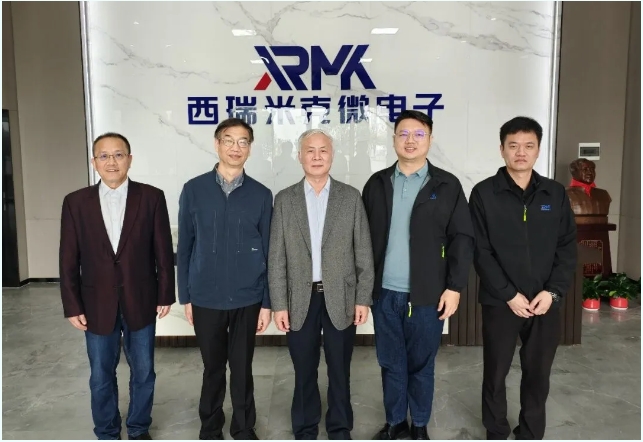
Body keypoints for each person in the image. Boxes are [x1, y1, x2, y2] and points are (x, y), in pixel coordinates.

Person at [362, 110, 475, 440]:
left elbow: (462, 238)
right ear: (394, 139)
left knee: (422, 365)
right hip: (384, 293)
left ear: (430, 139)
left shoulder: (447, 185)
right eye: (403, 134)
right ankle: (395, 422)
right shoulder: (377, 183)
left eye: (418, 134)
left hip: (428, 295)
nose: (410, 141)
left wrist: (454, 287)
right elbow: (362, 239)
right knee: (390, 362)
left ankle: (420, 424)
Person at [59, 132, 175, 440]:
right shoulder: (75, 202)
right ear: (94, 162)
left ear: (130, 159)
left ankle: (138, 429)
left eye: (118, 155)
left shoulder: (151, 197)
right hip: (95, 303)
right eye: (104, 156)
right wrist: (72, 305)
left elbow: (163, 251)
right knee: (100, 374)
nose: (112, 162)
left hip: (141, 298)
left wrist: (166, 293)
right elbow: (68, 259)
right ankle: (107, 432)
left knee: (144, 372)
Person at [469, 116, 577, 440]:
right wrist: (508, 294)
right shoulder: (484, 193)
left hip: (544, 301)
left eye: (528, 146)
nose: (521, 152)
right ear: (502, 149)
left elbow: (567, 247)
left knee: (538, 372)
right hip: (501, 301)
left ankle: (531, 432)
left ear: (538, 150)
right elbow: (480, 251)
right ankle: (496, 430)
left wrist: (553, 293)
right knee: (496, 371)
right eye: (513, 145)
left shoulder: (554, 194)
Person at [268, 129, 374, 440]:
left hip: (341, 295)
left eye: (323, 150)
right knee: (304, 367)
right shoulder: (284, 200)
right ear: (299, 156)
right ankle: (305, 427)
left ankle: (340, 427)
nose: (317, 156)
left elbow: (363, 251)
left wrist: (363, 298)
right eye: (310, 151)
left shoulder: (350, 197)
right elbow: (276, 258)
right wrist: (279, 304)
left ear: (332, 155)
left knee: (340, 367)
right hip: (299, 297)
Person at [177, 118, 273, 440]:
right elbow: (186, 246)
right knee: (213, 368)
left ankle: (244, 427)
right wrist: (186, 296)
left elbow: (270, 250)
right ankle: (210, 427)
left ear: (250, 148)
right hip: (206, 296)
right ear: (217, 144)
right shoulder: (194, 190)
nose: (236, 147)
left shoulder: (261, 194)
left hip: (248, 296)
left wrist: (267, 302)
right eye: (229, 140)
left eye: (243, 142)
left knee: (242, 368)